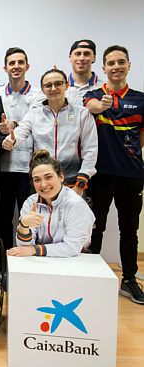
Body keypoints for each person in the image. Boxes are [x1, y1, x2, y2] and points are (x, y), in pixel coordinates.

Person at [84, 45, 144, 304]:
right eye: (111, 63)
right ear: (104, 68)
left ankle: (129, 280)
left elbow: (140, 138)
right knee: (95, 227)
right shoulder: (94, 94)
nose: (116, 67)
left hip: (131, 174)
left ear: (129, 65)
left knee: (129, 231)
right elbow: (91, 106)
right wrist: (101, 105)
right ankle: (90, 277)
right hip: (99, 175)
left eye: (121, 62)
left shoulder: (141, 99)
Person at [2, 68, 98, 194]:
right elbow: (19, 133)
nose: (53, 88)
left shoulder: (82, 113)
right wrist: (11, 141)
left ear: (66, 86)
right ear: (42, 90)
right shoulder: (34, 114)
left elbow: (90, 150)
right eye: (48, 85)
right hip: (42, 183)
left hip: (72, 183)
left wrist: (81, 182)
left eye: (58, 84)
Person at [0, 47, 45, 250]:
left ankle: (29, 258)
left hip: (28, 169)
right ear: (5, 68)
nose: (16, 66)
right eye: (12, 63)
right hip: (3, 168)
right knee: (3, 219)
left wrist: (13, 125)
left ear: (27, 66)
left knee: (30, 219)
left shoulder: (39, 95)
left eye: (20, 62)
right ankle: (5, 260)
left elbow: (34, 121)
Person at [7, 150, 94, 257]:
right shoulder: (31, 202)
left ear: (61, 177)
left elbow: (72, 248)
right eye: (37, 180)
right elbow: (24, 248)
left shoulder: (76, 204)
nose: (43, 185)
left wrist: (35, 250)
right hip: (39, 260)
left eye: (48, 177)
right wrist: (24, 225)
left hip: (73, 260)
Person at [66, 40, 105, 106]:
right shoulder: (60, 88)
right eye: (78, 54)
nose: (81, 58)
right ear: (70, 58)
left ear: (93, 58)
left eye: (87, 54)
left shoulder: (103, 87)